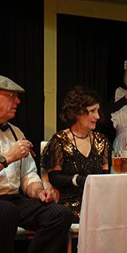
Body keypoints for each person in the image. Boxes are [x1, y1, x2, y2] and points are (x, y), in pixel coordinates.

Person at [0, 74, 73, 253]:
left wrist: (39, 191)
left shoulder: (16, 131)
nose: (17, 102)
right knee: (6, 212)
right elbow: (10, 161)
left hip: (12, 199)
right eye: (11, 96)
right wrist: (7, 157)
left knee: (60, 214)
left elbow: (27, 175)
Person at [41, 86, 110, 220]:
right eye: (92, 111)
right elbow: (54, 178)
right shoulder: (60, 140)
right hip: (69, 204)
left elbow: (105, 176)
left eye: (97, 110)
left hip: (97, 202)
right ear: (77, 112)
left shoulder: (101, 140)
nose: (97, 116)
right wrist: (78, 180)